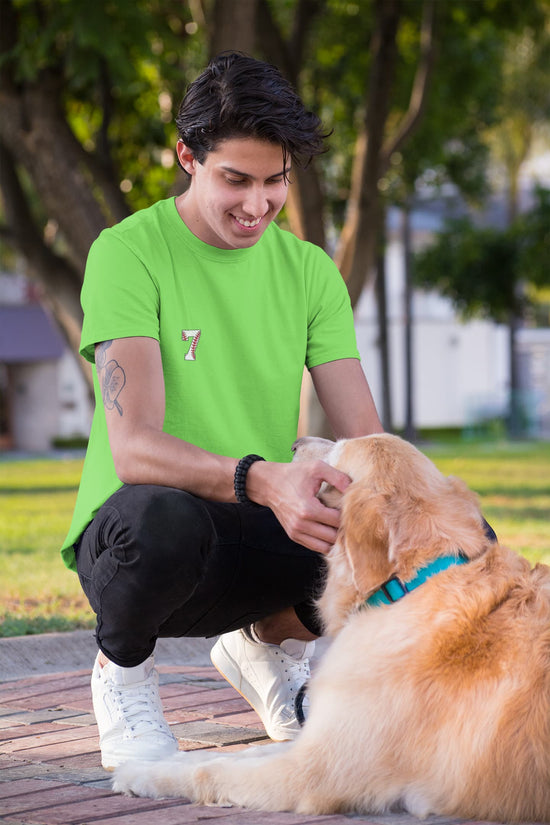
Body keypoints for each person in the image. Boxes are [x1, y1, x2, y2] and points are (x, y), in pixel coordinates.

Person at [61, 51, 383, 771]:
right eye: (235, 179)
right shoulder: (128, 253)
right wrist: (265, 477)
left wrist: (417, 512)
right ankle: (122, 672)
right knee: (162, 519)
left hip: (259, 529)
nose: (256, 205)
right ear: (187, 157)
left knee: (400, 522)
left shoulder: (309, 271)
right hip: (141, 540)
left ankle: (267, 645)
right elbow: (135, 449)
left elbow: (368, 442)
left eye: (275, 181)